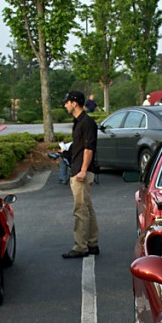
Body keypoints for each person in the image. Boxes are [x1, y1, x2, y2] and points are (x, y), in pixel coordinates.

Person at [62, 90, 99, 259]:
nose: (65, 105)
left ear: (74, 103)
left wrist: (83, 170)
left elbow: (88, 148)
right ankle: (92, 243)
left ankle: (80, 246)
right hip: (78, 169)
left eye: (67, 102)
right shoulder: (78, 122)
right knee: (88, 209)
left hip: (81, 172)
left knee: (80, 210)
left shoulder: (87, 122)